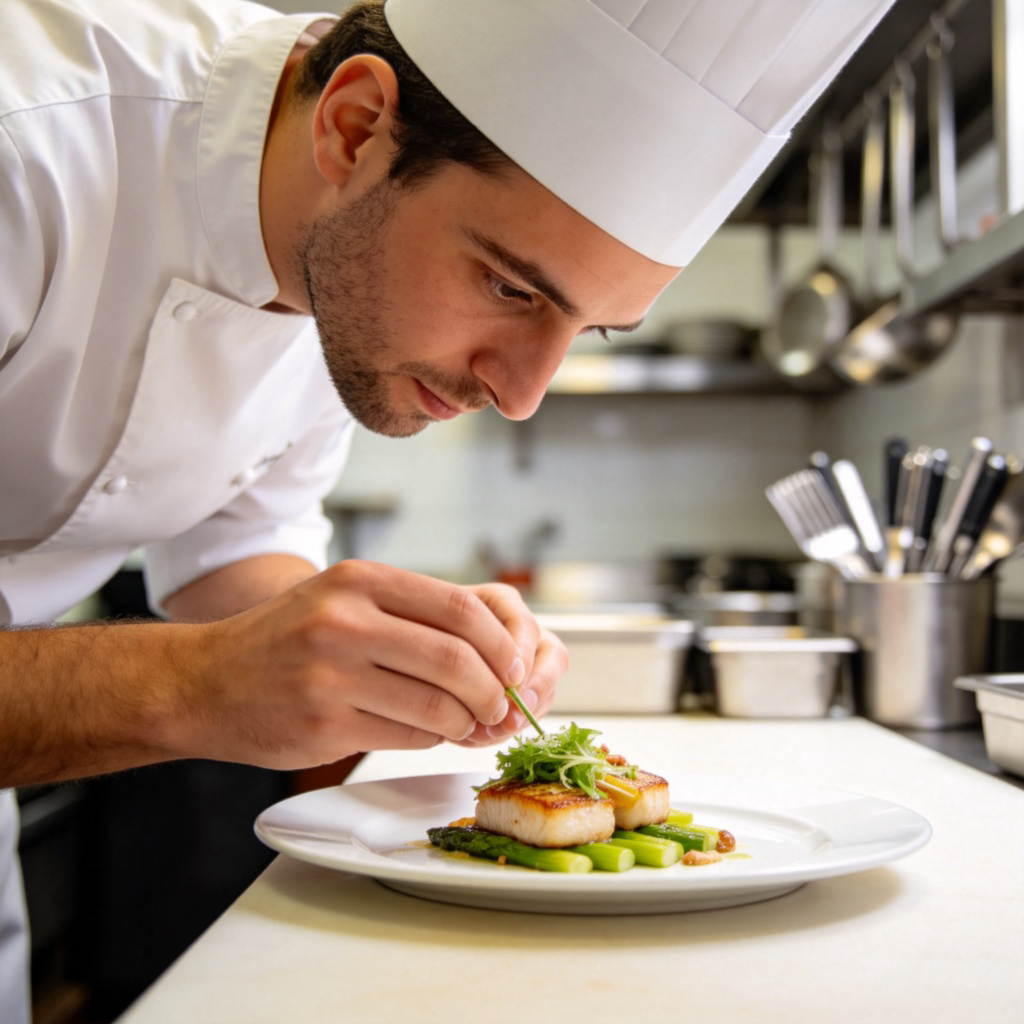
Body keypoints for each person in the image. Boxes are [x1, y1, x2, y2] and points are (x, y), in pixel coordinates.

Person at [0, 0, 896, 1017]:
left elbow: (234, 560)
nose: (521, 394)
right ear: (353, 129)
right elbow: (214, 655)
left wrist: (387, 649)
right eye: (513, 289)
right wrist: (200, 683)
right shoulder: (25, 146)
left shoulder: (342, 265)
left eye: (588, 329)